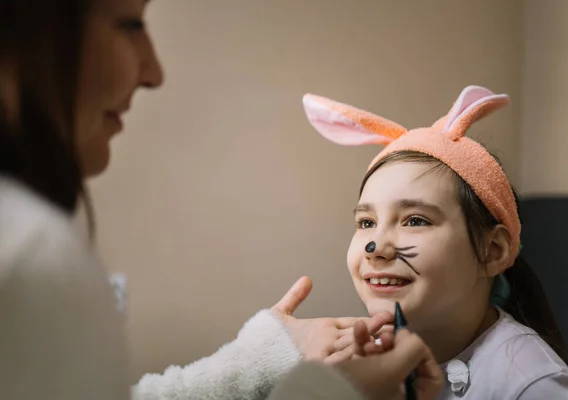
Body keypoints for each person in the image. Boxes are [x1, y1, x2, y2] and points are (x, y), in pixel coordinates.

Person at [0, 1, 443, 399]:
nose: (154, 71)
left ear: (496, 249)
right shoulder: (28, 258)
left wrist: (261, 357)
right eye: (129, 23)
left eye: (417, 221)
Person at [301, 84, 568, 399]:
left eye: (415, 220)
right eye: (366, 223)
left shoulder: (532, 385)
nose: (377, 248)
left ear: (492, 251)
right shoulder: (368, 359)